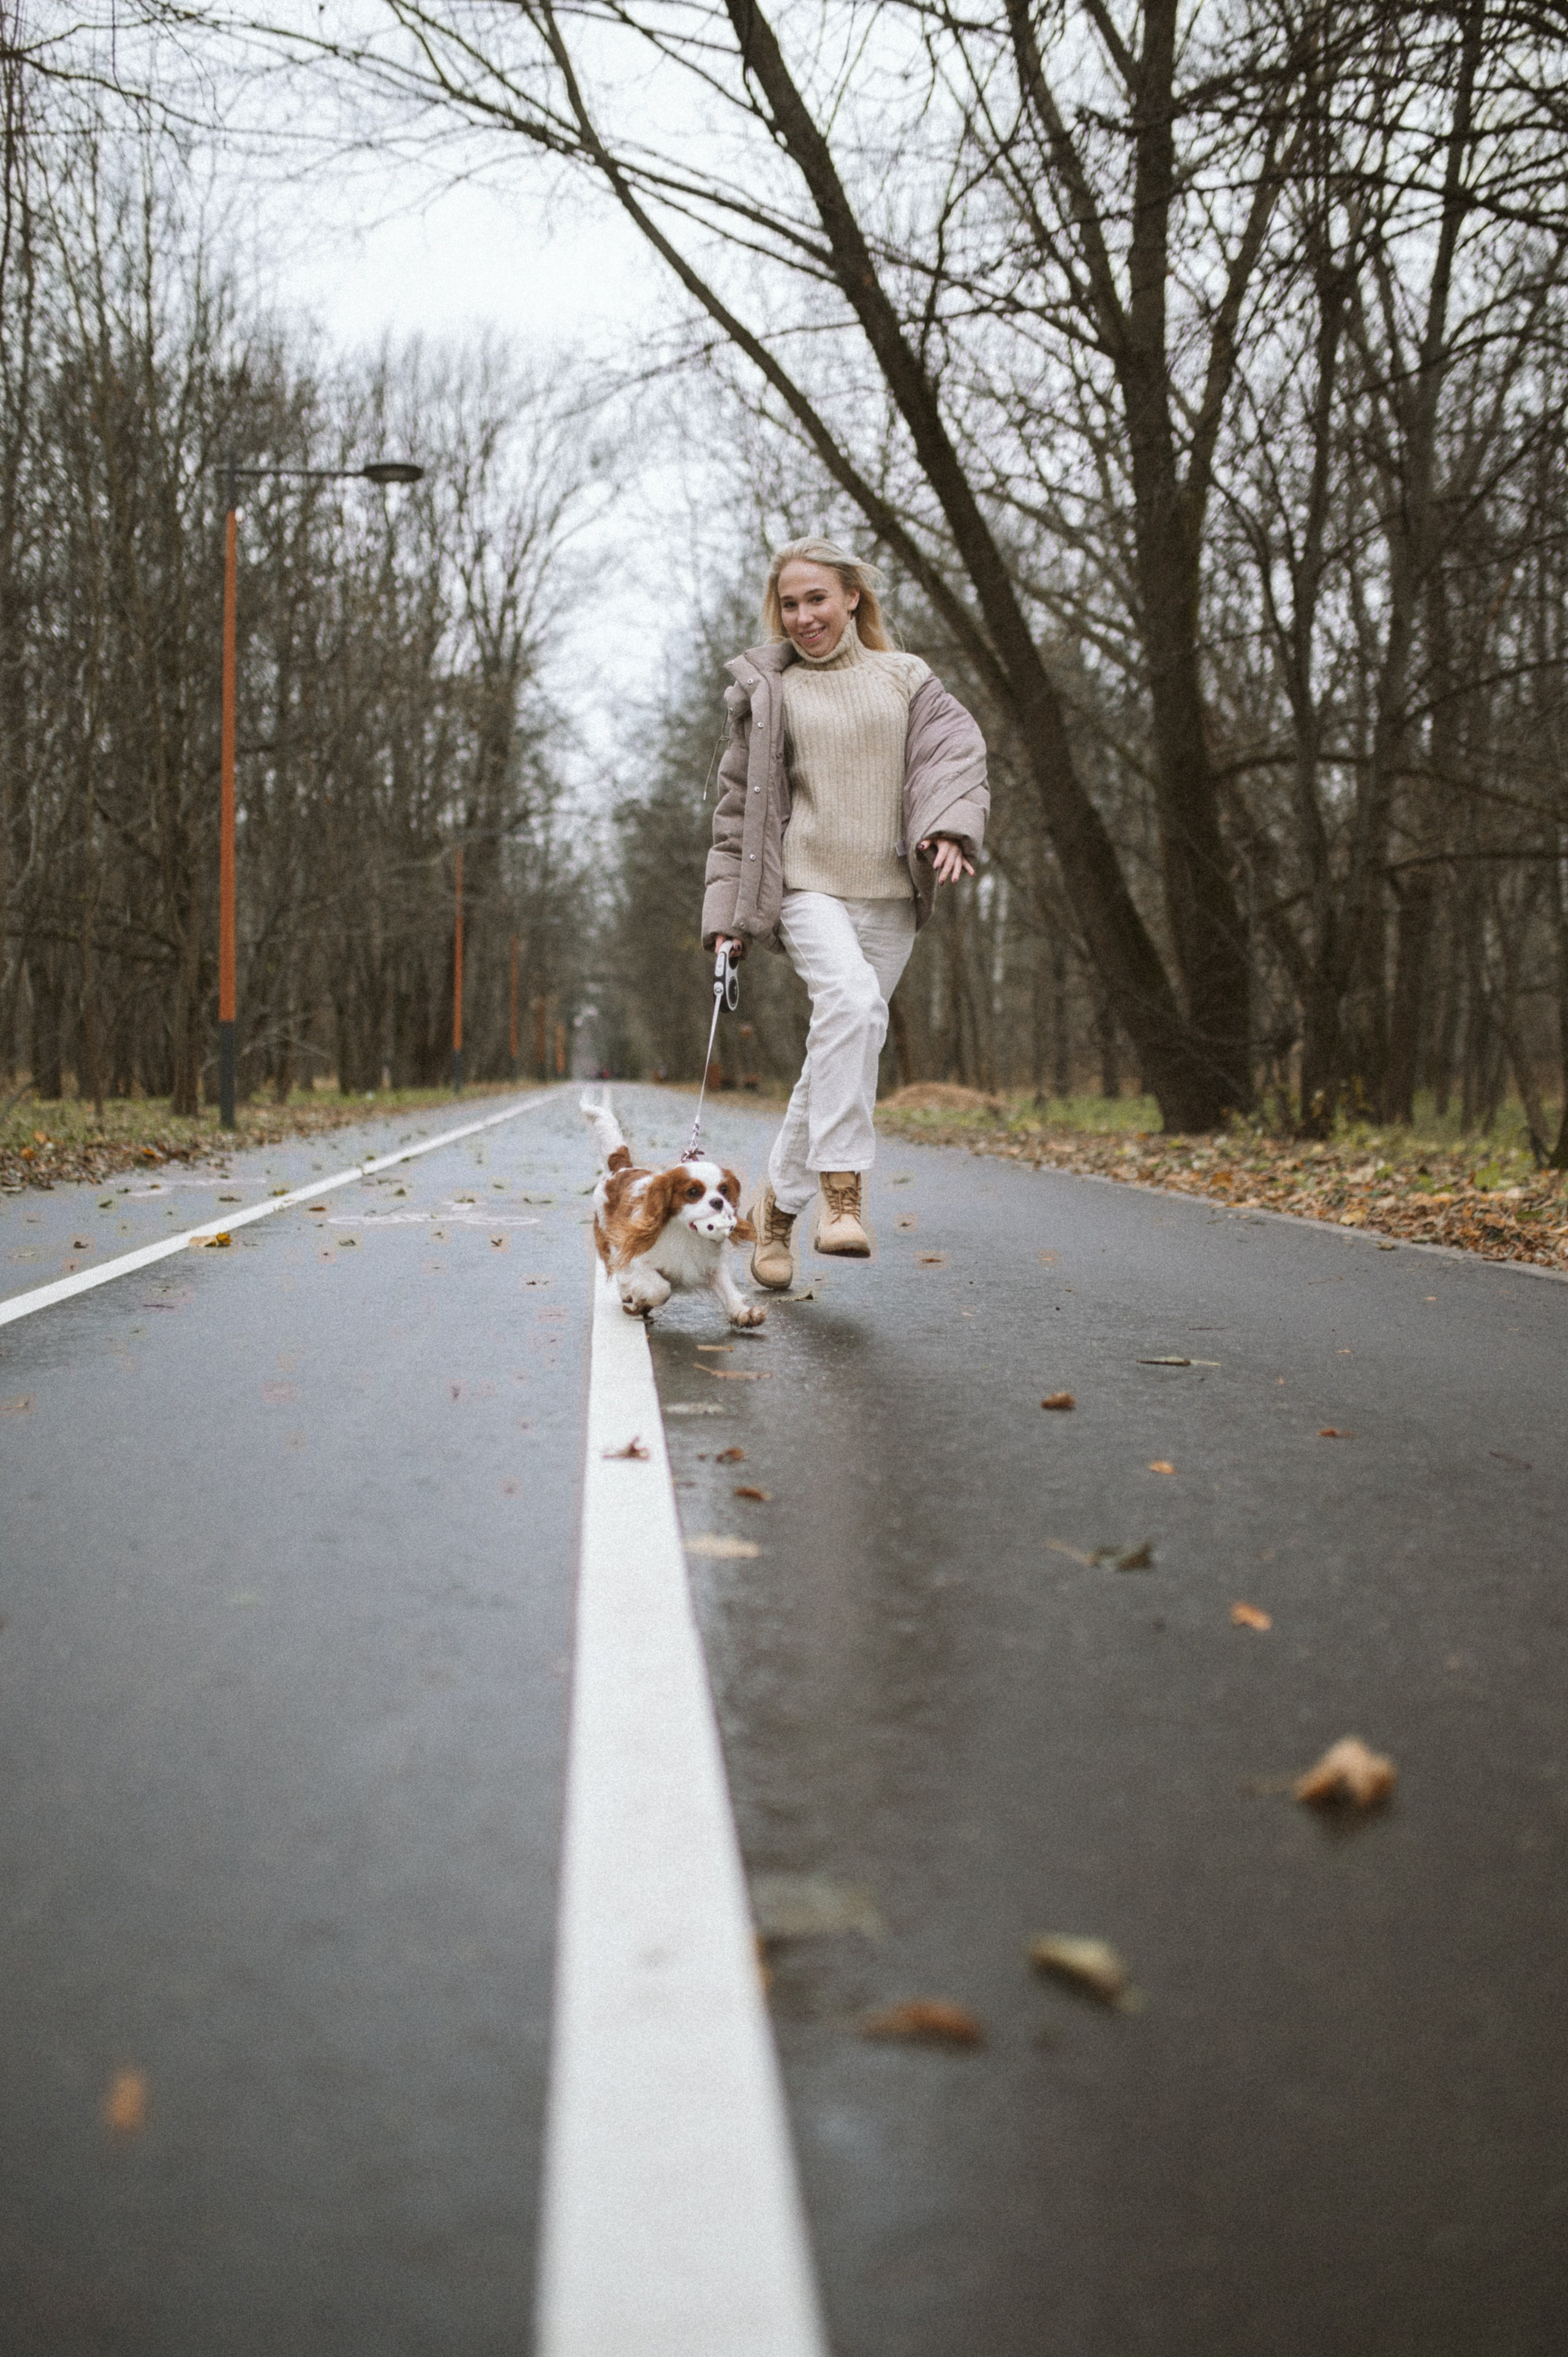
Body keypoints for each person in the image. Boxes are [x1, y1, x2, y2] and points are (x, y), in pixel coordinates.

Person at [704, 537, 989, 1290]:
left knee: (841, 1039)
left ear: (853, 597)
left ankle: (774, 1215)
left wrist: (951, 823)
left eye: (817, 599)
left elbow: (954, 753)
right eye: (790, 605)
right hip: (806, 886)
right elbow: (738, 814)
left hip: (891, 893)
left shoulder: (906, 678)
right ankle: (842, 1193)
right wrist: (729, 916)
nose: (803, 617)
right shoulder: (771, 693)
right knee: (853, 1004)